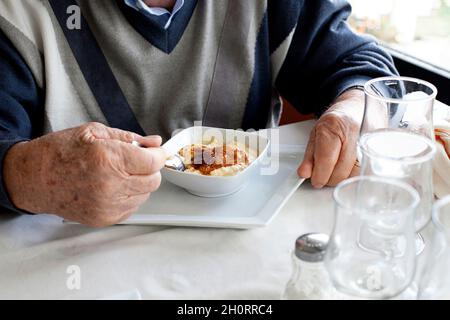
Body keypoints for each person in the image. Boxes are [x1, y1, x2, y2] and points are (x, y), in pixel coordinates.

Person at [0, 0, 398, 226]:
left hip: (244, 256)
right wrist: (35, 176)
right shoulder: (15, 12)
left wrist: (352, 113)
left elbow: (365, 70)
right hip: (77, 268)